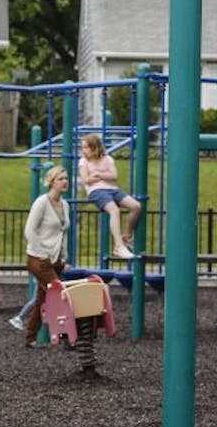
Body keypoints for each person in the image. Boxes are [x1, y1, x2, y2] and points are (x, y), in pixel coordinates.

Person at [22, 165, 71, 348]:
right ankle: (67, 336)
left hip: (56, 260)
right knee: (61, 293)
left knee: (43, 298)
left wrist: (64, 258)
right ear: (51, 182)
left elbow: (62, 233)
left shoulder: (64, 205)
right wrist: (42, 253)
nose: (64, 182)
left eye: (66, 178)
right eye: (60, 179)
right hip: (38, 259)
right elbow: (29, 230)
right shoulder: (42, 202)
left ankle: (30, 338)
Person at [77, 133, 142, 260]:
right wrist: (103, 175)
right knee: (114, 210)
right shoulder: (83, 161)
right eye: (82, 147)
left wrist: (98, 174)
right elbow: (86, 180)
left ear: (95, 147)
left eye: (86, 147)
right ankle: (118, 246)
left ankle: (127, 236)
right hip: (96, 191)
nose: (83, 150)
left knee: (136, 206)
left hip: (112, 189)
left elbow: (114, 176)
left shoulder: (107, 159)